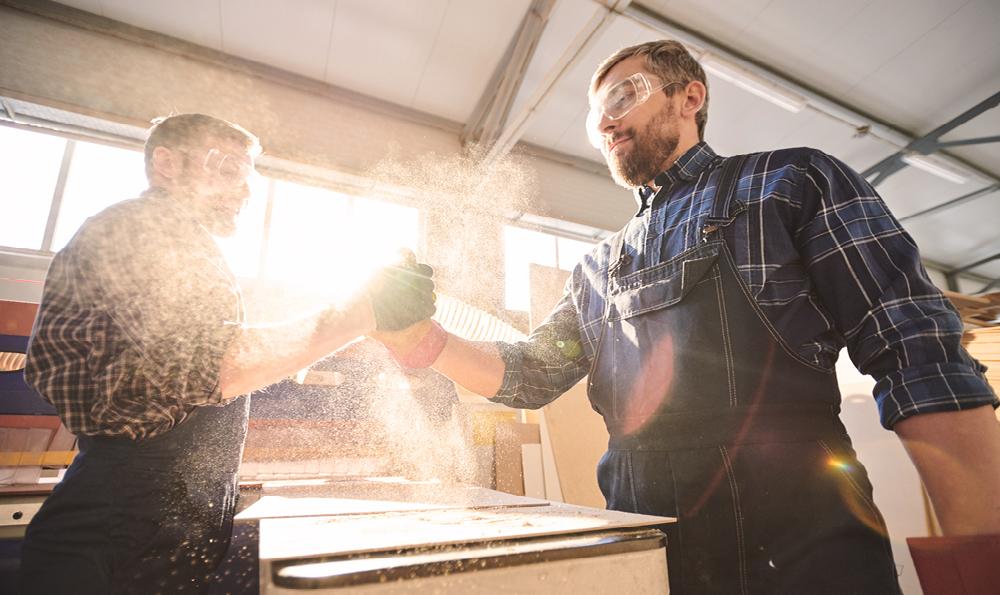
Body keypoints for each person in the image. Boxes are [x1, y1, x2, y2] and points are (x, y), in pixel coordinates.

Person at [372, 41, 1000, 594]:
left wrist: (980, 562)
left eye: (624, 95)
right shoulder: (596, 268)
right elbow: (530, 375)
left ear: (689, 95)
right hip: (649, 552)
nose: (606, 121)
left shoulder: (788, 184)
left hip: (805, 546)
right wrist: (422, 337)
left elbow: (915, 351)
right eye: (595, 117)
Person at [18, 113, 435, 594]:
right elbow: (209, 365)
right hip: (118, 529)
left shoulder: (187, 248)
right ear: (167, 163)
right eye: (228, 168)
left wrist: (354, 320)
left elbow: (211, 358)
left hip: (157, 522)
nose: (245, 190)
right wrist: (364, 311)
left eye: (249, 175)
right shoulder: (138, 230)